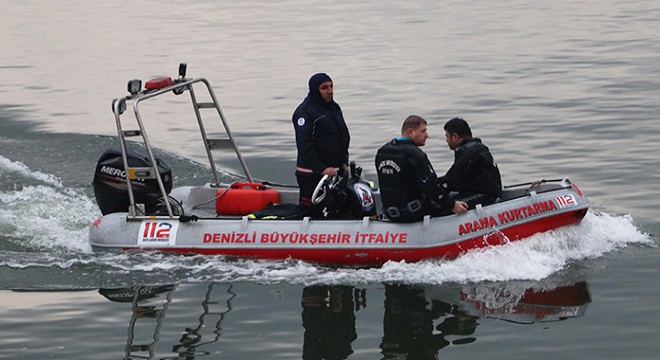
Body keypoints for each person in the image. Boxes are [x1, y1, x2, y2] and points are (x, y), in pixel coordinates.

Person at [375, 115, 467, 222]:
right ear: (411, 132)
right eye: (423, 131)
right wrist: (452, 205)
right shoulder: (415, 155)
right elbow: (431, 187)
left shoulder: (382, 152)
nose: (427, 135)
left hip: (390, 213)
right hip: (412, 213)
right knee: (457, 199)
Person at [292, 73, 350, 218]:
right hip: (312, 175)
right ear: (315, 90)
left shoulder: (334, 108)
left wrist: (344, 162)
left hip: (334, 173)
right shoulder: (304, 112)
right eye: (325, 88)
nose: (330, 90)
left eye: (331, 86)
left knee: (337, 210)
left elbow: (342, 137)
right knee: (312, 213)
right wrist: (321, 169)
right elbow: (304, 145)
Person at [438, 117, 502, 208]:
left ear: (455, 137)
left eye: (447, 137)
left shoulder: (467, 152)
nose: (446, 141)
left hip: (485, 196)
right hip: (482, 192)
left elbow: (452, 179)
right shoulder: (476, 147)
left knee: (442, 205)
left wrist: (435, 193)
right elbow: (456, 177)